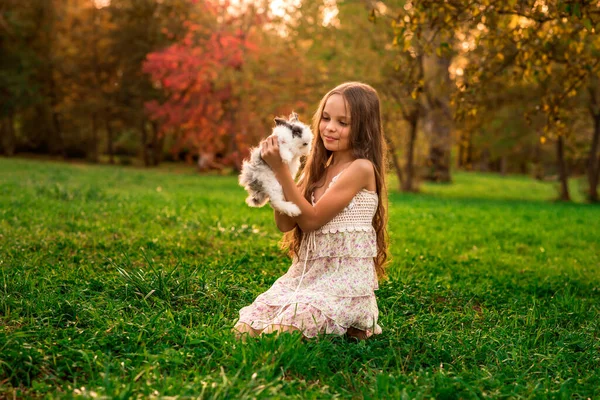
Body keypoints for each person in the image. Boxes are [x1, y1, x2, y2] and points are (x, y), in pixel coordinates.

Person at [234, 82, 388, 340]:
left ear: (363, 128)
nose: (330, 127)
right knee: (245, 330)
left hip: (342, 287)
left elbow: (311, 221)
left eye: (343, 122)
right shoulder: (316, 172)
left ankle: (353, 323)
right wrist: (277, 173)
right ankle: (329, 324)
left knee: (278, 335)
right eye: (326, 118)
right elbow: (285, 223)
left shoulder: (361, 169)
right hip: (305, 280)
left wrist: (282, 171)